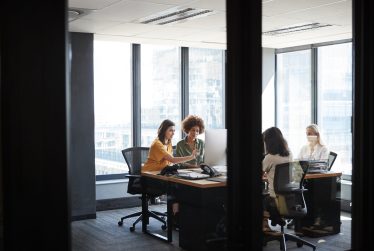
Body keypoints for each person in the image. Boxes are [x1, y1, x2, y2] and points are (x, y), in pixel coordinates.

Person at [141, 119, 196, 230]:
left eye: (174, 130)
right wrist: (190, 157)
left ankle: (177, 215)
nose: (173, 133)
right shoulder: (157, 144)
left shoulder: (168, 142)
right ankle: (175, 217)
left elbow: (169, 162)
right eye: (171, 130)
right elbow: (172, 159)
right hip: (150, 177)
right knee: (175, 187)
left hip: (161, 174)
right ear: (163, 130)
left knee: (181, 185)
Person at [262, 127, 293, 234]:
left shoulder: (269, 158)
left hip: (275, 200)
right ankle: (275, 219)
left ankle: (265, 226)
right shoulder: (289, 154)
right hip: (290, 198)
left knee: (259, 198)